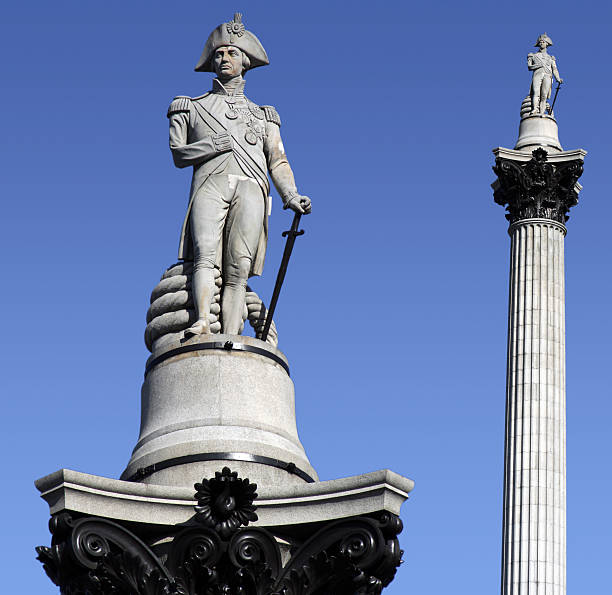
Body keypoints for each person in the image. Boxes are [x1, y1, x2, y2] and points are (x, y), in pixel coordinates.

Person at [167, 14, 311, 336]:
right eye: (218, 54)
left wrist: (290, 194)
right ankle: (203, 320)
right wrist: (209, 145)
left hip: (252, 186)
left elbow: (278, 160)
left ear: (245, 61)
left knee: (239, 269)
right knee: (204, 252)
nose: (224, 59)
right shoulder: (189, 107)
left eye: (231, 53)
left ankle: (232, 335)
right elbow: (178, 154)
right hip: (210, 182)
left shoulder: (264, 116)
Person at [528, 33, 563, 115]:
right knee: (536, 93)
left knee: (544, 95)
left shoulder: (551, 58)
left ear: (547, 44)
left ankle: (542, 111)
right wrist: (538, 65)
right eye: (540, 42)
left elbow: (554, 69)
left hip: (547, 75)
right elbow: (529, 67)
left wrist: (558, 78)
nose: (541, 43)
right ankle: (535, 109)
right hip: (537, 74)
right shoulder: (533, 55)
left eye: (543, 42)